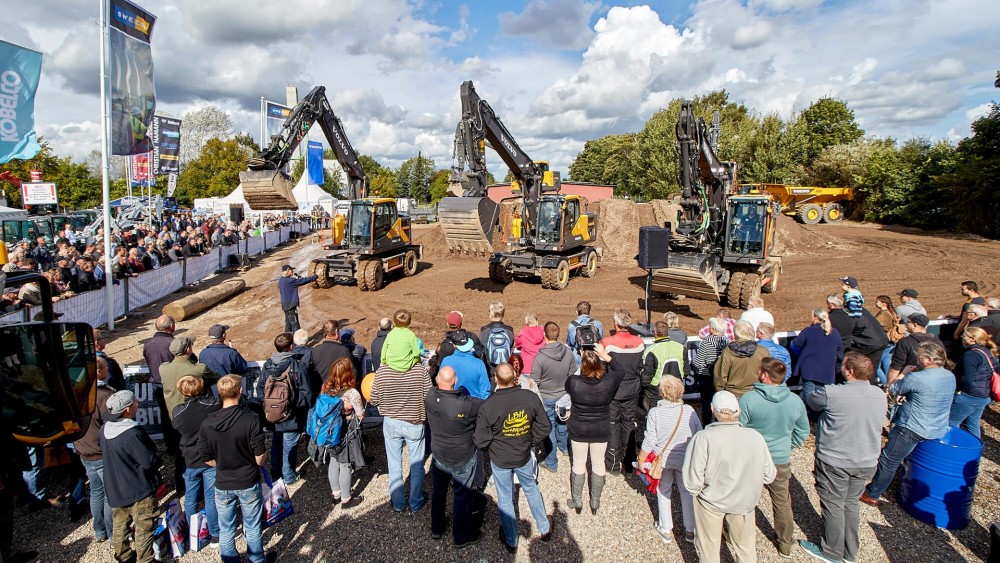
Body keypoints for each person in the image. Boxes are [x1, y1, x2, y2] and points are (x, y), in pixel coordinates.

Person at [801, 353, 886, 563]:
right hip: (866, 460)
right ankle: (849, 551)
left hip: (835, 460)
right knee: (850, 503)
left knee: (833, 503)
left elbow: (812, 400)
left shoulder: (832, 393)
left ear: (849, 371)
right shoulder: (879, 394)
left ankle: (831, 551)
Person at [683, 391, 776, 563]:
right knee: (746, 549)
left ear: (712, 410)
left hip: (711, 501)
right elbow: (769, 475)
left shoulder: (703, 438)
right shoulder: (755, 437)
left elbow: (692, 480)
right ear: (738, 412)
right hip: (744, 501)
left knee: (709, 549)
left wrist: (700, 491)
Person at [862, 342, 957, 506]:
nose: (916, 358)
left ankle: (872, 493)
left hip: (912, 427)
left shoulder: (917, 378)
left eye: (919, 356)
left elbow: (893, 389)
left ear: (928, 359)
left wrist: (905, 372)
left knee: (888, 460)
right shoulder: (950, 376)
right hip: (937, 426)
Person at [474, 363, 552, 553]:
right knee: (531, 488)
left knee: (505, 496)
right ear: (515, 378)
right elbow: (545, 426)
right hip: (523, 454)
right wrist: (529, 440)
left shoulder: (489, 405)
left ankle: (511, 539)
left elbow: (480, 440)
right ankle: (544, 528)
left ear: (496, 380)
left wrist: (494, 447)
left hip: (501, 458)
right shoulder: (530, 397)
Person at [738, 358, 809, 558]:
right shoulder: (795, 401)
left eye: (760, 370)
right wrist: (788, 446)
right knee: (782, 500)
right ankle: (785, 542)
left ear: (765, 375)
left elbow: (739, 429)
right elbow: (803, 431)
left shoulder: (749, 399)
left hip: (753, 459)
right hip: (780, 458)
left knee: (744, 498)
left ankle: (739, 535)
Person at [197, 375, 268, 563]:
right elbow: (260, 456)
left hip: (223, 482)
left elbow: (205, 457)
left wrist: (222, 464)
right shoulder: (250, 419)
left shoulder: (207, 423)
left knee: (226, 528)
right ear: (240, 391)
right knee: (252, 526)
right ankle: (257, 559)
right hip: (248, 479)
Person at [370, 338, 432, 513]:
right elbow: (430, 397)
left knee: (394, 463)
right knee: (417, 464)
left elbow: (373, 399)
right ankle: (415, 502)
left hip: (392, 422)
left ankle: (398, 503)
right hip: (414, 422)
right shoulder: (420, 371)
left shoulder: (382, 371)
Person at [426, 366, 485, 547]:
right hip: (462, 457)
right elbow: (485, 406)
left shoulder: (429, 397)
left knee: (439, 492)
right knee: (462, 496)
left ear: (437, 380)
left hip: (439, 454)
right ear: (456, 381)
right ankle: (461, 536)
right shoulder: (466, 405)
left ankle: (437, 528)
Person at [638, 376, 701, 544]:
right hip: (685, 458)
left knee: (664, 490)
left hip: (662, 459)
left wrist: (642, 458)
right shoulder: (689, 411)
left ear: (662, 393)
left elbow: (650, 439)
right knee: (686, 492)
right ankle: (690, 529)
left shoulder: (655, 413)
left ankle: (666, 527)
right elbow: (698, 434)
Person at [564, 346, 625, 515]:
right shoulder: (608, 381)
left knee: (578, 462)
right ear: (600, 365)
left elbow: (570, 381)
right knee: (598, 462)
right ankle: (595, 500)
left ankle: (577, 499)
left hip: (580, 428)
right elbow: (621, 369)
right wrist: (605, 355)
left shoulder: (574, 382)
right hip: (600, 427)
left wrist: (583, 361)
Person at [101, 391, 161, 563]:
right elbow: (148, 460)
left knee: (120, 525)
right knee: (144, 526)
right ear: (127, 409)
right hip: (138, 487)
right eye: (135, 401)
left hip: (115, 486)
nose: (137, 403)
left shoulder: (104, 429)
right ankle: (146, 559)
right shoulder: (131, 433)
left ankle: (124, 556)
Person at [257, 332, 312, 486]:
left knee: (276, 442)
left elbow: (261, 388)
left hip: (272, 413)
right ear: (291, 347)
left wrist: (269, 406)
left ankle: (276, 474)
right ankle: (288, 475)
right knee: (289, 444)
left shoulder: (267, 365)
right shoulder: (296, 366)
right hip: (291, 414)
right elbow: (306, 392)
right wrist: (297, 408)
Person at [172, 375, 221, 547]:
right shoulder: (213, 404)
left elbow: (177, 426)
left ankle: (191, 533)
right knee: (210, 496)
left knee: (191, 496)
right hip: (209, 458)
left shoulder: (178, 412)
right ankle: (215, 533)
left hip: (191, 458)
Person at [72, 356, 115, 543]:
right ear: (98, 371)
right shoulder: (103, 395)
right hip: (100, 450)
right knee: (109, 493)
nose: (108, 370)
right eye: (105, 367)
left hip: (83, 449)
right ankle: (114, 533)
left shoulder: (75, 391)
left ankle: (99, 531)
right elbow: (111, 423)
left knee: (96, 491)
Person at [601, 308, 645, 474]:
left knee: (613, 425)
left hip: (614, 390)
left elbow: (602, 368)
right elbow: (641, 365)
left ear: (615, 324)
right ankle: (629, 461)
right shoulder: (639, 342)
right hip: (632, 388)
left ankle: (613, 464)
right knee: (629, 423)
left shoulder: (607, 343)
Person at [531, 321, 575, 472]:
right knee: (562, 423)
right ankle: (564, 448)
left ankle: (551, 462)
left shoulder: (540, 358)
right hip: (563, 395)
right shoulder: (568, 352)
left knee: (549, 428)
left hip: (546, 397)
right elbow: (572, 373)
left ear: (544, 335)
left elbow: (535, 381)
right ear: (559, 334)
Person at [322, 358, 366, 509]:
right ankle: (346, 499)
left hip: (330, 430)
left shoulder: (326, 388)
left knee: (333, 460)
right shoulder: (352, 393)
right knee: (346, 463)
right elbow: (360, 415)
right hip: (346, 429)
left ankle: (336, 494)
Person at [949, 327, 997, 438]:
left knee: (951, 423)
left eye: (964, 335)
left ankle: (951, 450)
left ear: (972, 339)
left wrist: (959, 391)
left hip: (970, 396)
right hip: (984, 396)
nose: (962, 337)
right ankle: (974, 452)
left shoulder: (971, 355)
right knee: (973, 424)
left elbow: (967, 379)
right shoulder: (987, 351)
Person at [789, 309, 842, 410]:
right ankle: (818, 414)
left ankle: (809, 415)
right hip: (827, 368)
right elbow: (839, 347)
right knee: (822, 394)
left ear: (816, 318)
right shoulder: (834, 332)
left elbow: (794, 345)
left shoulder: (808, 331)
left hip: (809, 368)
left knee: (808, 393)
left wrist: (802, 352)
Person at [159, 336, 217, 420]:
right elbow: (216, 378)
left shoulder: (163, 368)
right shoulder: (199, 369)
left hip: (173, 415)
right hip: (195, 415)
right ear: (188, 350)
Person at [713, 320, 769, 399]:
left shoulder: (728, 352)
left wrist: (721, 393)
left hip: (734, 395)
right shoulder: (763, 351)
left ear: (736, 334)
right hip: (756, 393)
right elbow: (769, 373)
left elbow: (720, 377)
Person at [640, 320, 686, 411]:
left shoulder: (651, 350)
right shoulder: (680, 347)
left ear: (655, 333)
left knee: (656, 415)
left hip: (656, 391)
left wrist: (647, 387)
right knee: (675, 413)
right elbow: (686, 370)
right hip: (675, 388)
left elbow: (646, 376)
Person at [886, 313, 942, 386]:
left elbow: (895, 367)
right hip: (934, 382)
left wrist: (889, 385)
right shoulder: (938, 342)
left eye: (908, 322)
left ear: (915, 325)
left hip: (908, 383)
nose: (905, 324)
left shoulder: (905, 342)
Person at [692, 317, 730, 424]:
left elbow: (698, 362)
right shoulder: (728, 341)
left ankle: (706, 426)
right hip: (723, 377)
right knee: (721, 403)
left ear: (713, 329)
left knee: (707, 404)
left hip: (707, 377)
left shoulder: (707, 342)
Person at [440, 332, 491, 400]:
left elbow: (442, 385)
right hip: (474, 405)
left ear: (454, 345)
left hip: (452, 403)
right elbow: (485, 392)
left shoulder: (446, 361)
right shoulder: (479, 364)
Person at [310, 319, 353, 389]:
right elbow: (352, 372)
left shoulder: (314, 350)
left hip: (320, 393)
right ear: (336, 332)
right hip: (339, 392)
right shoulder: (343, 351)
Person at [278, 264, 317, 332]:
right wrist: (316, 276)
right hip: (291, 305)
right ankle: (298, 342)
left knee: (288, 325)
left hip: (285, 305)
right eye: (291, 270)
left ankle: (287, 340)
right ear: (288, 270)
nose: (292, 271)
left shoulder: (281, 280)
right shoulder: (290, 280)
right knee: (295, 325)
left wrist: (298, 278)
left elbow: (297, 282)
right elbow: (303, 281)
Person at [480, 301, 516, 373]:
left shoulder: (484, 330)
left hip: (490, 369)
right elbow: (511, 345)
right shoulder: (509, 330)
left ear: (491, 315)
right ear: (502, 315)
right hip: (505, 368)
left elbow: (482, 347)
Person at [142, 314, 176, 385]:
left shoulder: (147, 344)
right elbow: (191, 360)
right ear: (172, 326)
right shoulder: (175, 343)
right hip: (172, 384)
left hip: (154, 384)